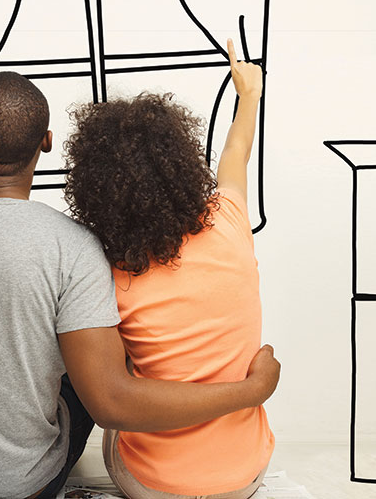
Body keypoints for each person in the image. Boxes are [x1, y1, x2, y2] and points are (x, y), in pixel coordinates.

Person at [0, 72, 280, 498]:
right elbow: (109, 402)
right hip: (25, 488)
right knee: (87, 359)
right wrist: (249, 391)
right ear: (46, 144)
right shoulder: (74, 247)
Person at [62, 40, 272, 498]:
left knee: (93, 364)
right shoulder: (231, 217)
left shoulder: (106, 269)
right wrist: (249, 94)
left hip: (152, 484)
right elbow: (236, 155)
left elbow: (109, 396)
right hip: (245, 477)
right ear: (181, 163)